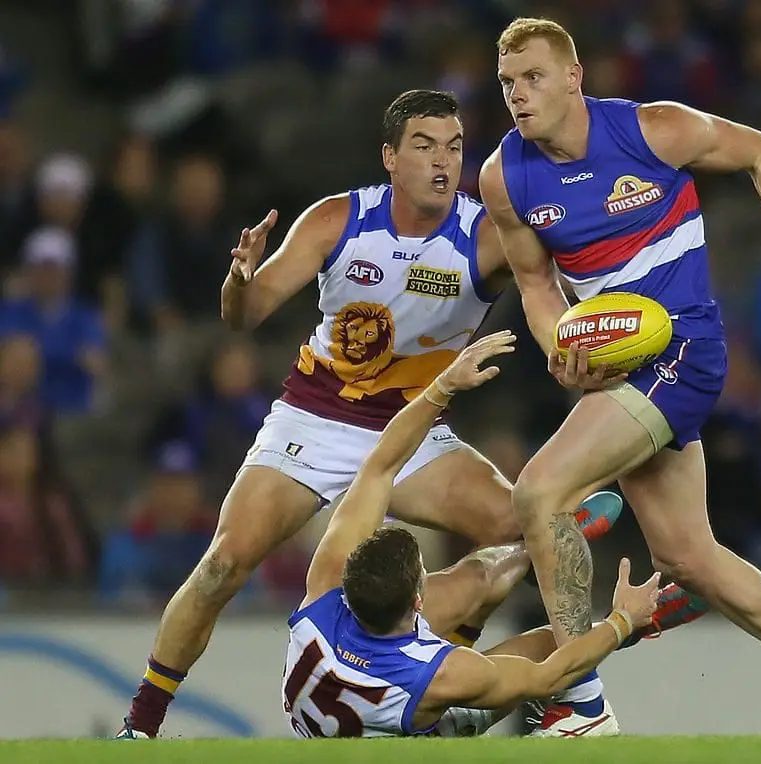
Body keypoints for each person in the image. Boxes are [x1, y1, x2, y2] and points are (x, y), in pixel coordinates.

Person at [116, 89, 632, 739]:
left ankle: (576, 703)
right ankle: (139, 728)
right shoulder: (338, 221)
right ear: (390, 157)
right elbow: (244, 317)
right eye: (424, 146)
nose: (442, 162)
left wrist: (572, 343)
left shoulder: (486, 238)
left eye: (453, 147)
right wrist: (239, 280)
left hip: (415, 430)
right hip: (314, 419)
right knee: (222, 563)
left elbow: (543, 290)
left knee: (529, 520)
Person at [477, 18, 761, 736]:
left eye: (534, 77)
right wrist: (560, 345)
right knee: (686, 555)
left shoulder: (653, 130)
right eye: (508, 81)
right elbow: (537, 286)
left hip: (684, 352)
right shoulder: (504, 177)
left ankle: (580, 705)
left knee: (540, 491)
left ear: (575, 78)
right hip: (619, 370)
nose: (518, 94)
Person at [282, 331, 660, 738]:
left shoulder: (324, 587)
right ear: (418, 599)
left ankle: (531, 552)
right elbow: (550, 677)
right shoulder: (444, 676)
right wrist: (622, 621)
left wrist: (441, 387)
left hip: (364, 685)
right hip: (425, 727)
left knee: (475, 578)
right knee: (556, 642)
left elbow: (380, 465)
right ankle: (644, 618)